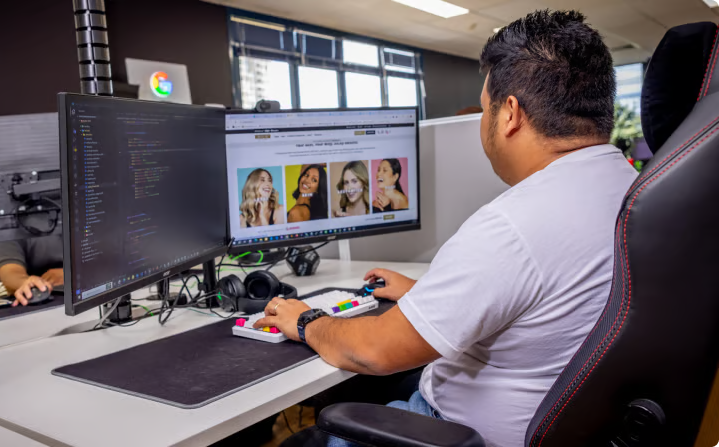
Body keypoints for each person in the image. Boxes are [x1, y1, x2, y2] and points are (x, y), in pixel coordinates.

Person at [260, 10, 637, 447]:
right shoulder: (629, 188)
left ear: (509, 113)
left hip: (458, 432)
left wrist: (305, 320)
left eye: (484, 108)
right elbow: (541, 294)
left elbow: (374, 350)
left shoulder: (514, 224)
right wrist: (426, 292)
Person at [0, 235, 63, 307]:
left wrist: (72, 274)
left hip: (70, 294)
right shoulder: (9, 228)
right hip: (38, 298)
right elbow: (8, 271)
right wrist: (26, 283)